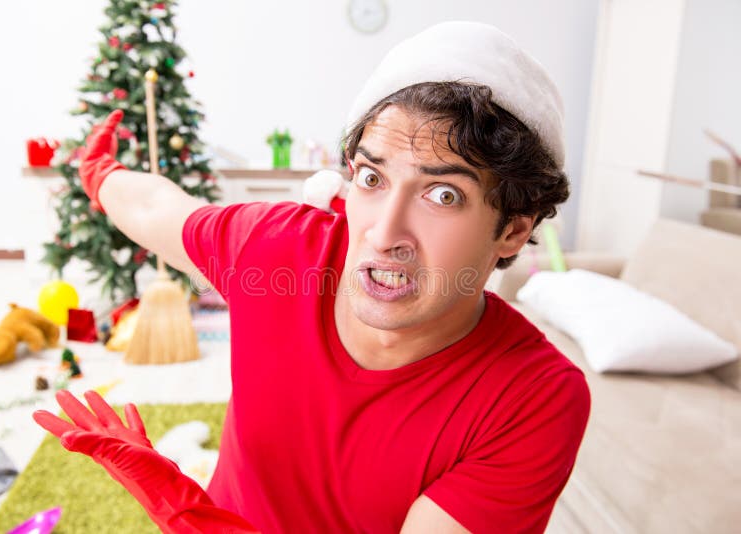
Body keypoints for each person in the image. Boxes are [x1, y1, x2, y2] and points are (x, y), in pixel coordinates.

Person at [34, 21, 590, 534]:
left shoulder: (534, 400)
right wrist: (100, 175)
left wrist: (185, 512)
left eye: (443, 195)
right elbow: (161, 210)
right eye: (372, 177)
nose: (383, 232)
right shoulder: (282, 252)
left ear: (513, 231)